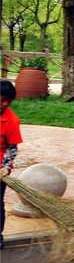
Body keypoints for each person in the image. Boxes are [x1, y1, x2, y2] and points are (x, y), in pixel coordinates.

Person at [1, 80, 22, 249]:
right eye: (1, 99)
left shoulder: (12, 120)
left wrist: (6, 167)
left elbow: (11, 148)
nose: (5, 104)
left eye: (8, 100)